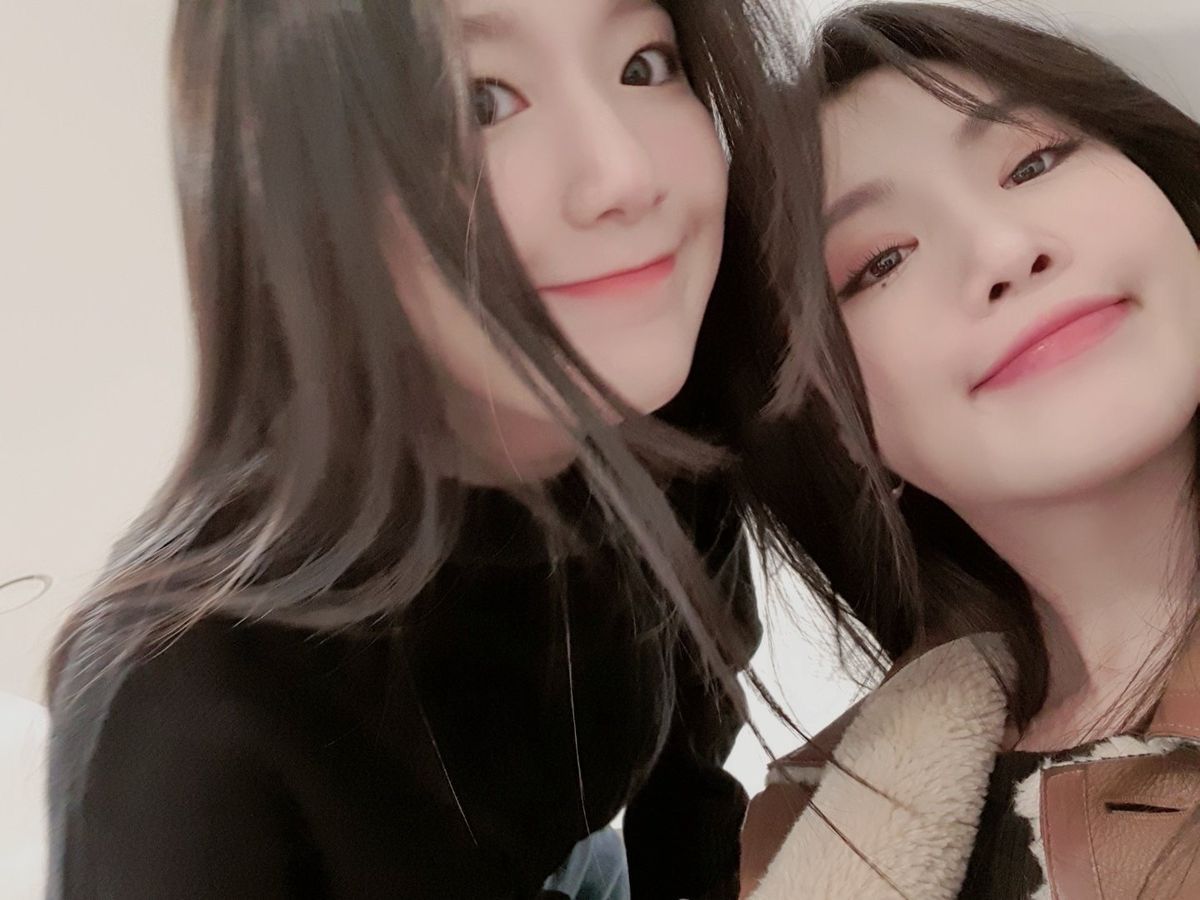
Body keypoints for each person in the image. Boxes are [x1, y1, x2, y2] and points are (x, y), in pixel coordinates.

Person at [45, 1, 830, 898]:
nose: (625, 173)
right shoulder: (177, 714)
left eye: (643, 64)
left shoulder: (675, 435)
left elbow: (689, 773)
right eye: (480, 101)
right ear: (302, 191)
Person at [740, 4, 1200, 898]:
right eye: (881, 262)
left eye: (1034, 163)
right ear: (832, 424)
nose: (1003, 250)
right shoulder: (802, 823)